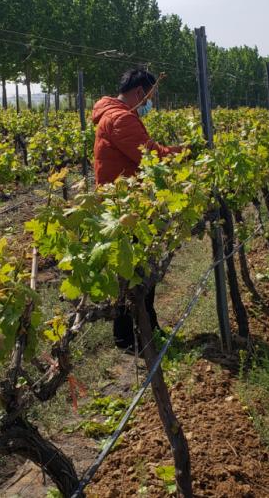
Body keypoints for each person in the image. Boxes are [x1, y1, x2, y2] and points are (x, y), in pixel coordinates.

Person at [90, 68, 181, 352]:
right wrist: (186, 152)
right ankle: (131, 338)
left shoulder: (115, 115)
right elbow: (151, 156)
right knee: (134, 273)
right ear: (140, 92)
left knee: (135, 271)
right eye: (150, 97)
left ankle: (144, 330)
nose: (150, 103)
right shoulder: (120, 119)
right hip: (126, 208)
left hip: (126, 205)